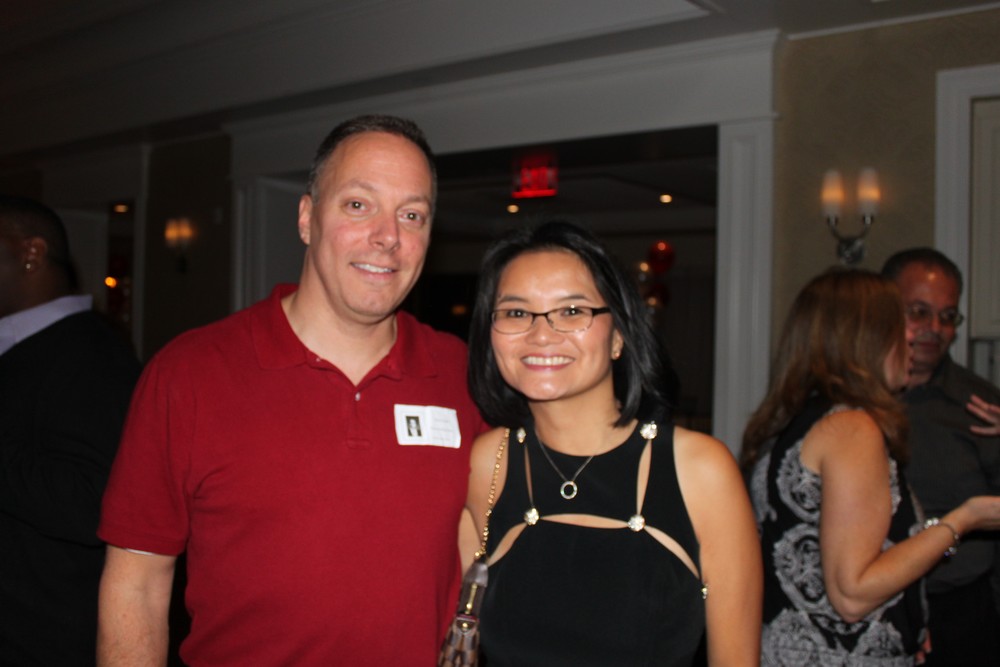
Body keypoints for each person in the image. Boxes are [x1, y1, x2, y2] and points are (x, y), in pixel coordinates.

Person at [97, 115, 486, 665]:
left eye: (412, 215)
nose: (388, 237)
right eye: (358, 205)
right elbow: (136, 585)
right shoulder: (190, 373)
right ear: (306, 218)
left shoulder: (463, 374)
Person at [461, 221, 761, 666]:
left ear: (619, 334)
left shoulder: (699, 470)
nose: (541, 334)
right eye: (516, 313)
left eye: (571, 311)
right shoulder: (487, 463)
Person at [742, 268, 1000, 666]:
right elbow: (853, 594)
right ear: (866, 337)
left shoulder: (799, 420)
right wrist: (964, 520)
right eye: (901, 324)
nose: (911, 337)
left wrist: (908, 618)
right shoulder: (852, 427)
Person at [0, 196, 141, 665]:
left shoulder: (92, 358)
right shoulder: (19, 349)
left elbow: (91, 504)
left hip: (44, 643)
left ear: (31, 253)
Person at [882, 247, 1000, 665]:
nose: (935, 328)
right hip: (871, 607)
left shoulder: (982, 405)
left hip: (962, 615)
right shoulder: (850, 400)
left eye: (948, 316)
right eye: (919, 312)